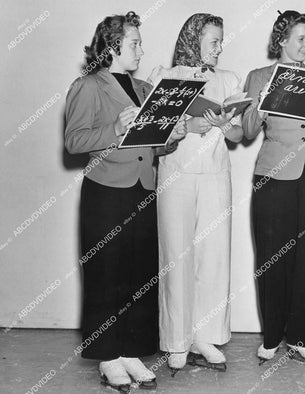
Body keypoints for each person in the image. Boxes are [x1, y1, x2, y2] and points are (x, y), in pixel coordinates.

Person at [65, 11, 185, 392]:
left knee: (139, 274)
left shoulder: (144, 86)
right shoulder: (88, 86)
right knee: (107, 274)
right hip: (106, 191)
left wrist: (173, 135)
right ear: (113, 46)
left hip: (142, 188)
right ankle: (109, 358)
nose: (141, 49)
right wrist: (115, 128)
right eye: (134, 43)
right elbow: (75, 141)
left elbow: (154, 143)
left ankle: (132, 350)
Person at [242, 10, 305, 367]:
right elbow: (249, 129)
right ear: (281, 40)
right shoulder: (258, 77)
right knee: (272, 255)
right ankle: (272, 336)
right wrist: (263, 100)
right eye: (301, 38)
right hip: (274, 175)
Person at [148, 13, 243, 375]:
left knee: (214, 256)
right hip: (177, 175)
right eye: (214, 41)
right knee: (177, 255)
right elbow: (156, 129)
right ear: (194, 40)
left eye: (221, 41)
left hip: (216, 175)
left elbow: (236, 136)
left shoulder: (228, 80)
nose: (220, 48)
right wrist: (192, 125)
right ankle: (176, 341)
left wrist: (224, 123)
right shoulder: (166, 76)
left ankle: (206, 336)